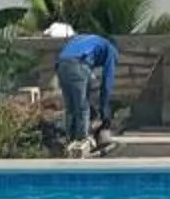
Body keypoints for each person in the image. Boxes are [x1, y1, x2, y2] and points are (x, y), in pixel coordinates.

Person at [49, 21, 118, 157]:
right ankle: (81, 140)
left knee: (71, 107)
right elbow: (107, 83)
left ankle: (69, 139)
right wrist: (104, 112)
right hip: (78, 64)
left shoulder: (85, 39)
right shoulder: (110, 48)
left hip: (61, 65)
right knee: (82, 106)